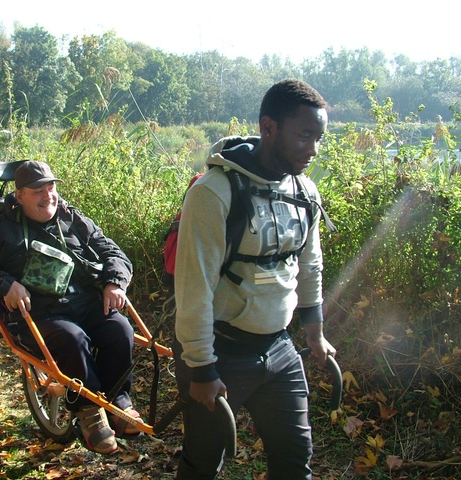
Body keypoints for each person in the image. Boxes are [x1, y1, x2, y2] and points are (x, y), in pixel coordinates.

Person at [173, 78, 337, 480]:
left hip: (280, 351)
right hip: (221, 351)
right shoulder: (214, 192)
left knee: (295, 459)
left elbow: (309, 264)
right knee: (202, 463)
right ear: (269, 127)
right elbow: (194, 287)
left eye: (319, 138)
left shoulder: (304, 191)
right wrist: (201, 368)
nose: (313, 149)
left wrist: (314, 334)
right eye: (304, 136)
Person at [0, 160, 139, 455]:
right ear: (19, 195)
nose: (47, 196)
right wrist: (4, 284)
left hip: (85, 301)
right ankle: (89, 410)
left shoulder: (73, 218)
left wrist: (114, 282)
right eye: (37, 190)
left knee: (120, 328)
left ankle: (118, 402)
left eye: (51, 187)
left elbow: (112, 250)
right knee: (71, 338)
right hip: (38, 313)